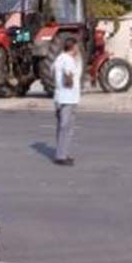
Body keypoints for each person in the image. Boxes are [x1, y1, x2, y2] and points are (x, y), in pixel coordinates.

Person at [52, 37, 82, 166]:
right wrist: (70, 83)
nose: (78, 49)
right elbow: (68, 75)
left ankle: (61, 153)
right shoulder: (69, 60)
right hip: (68, 98)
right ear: (73, 47)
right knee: (67, 128)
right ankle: (61, 156)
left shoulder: (58, 59)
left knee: (61, 127)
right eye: (77, 47)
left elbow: (52, 72)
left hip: (59, 97)